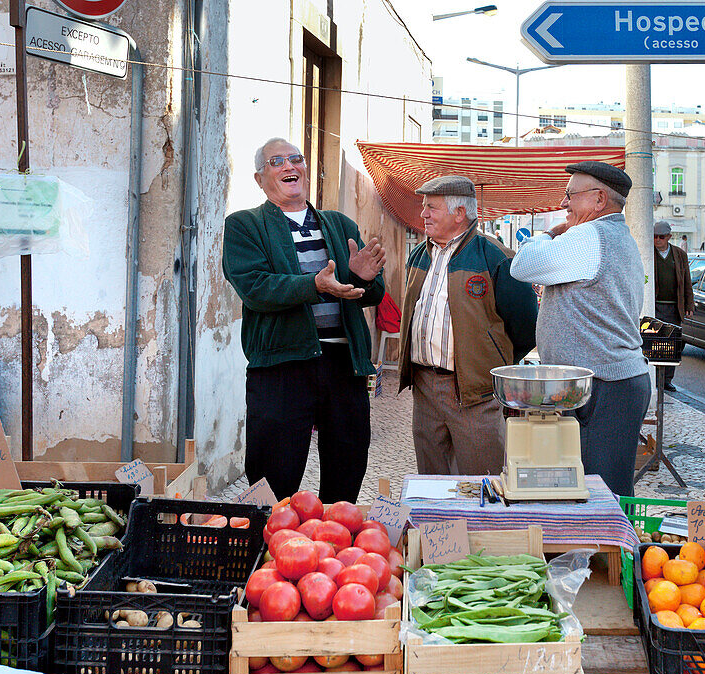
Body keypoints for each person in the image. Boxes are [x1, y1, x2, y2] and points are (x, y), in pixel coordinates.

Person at [223, 137, 386, 503]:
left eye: (295, 159)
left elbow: (373, 295)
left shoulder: (339, 224)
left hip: (345, 367)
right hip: (282, 369)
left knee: (347, 472)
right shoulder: (245, 226)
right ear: (259, 177)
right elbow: (256, 288)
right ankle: (267, 552)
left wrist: (362, 278)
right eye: (276, 161)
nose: (288, 166)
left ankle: (332, 550)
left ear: (305, 169)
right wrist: (314, 284)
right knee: (273, 480)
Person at [510, 161, 651, 498]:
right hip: (609, 383)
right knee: (599, 489)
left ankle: (608, 551)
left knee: (600, 494)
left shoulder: (590, 236)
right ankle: (596, 550)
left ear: (599, 200)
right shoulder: (616, 235)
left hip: (605, 387)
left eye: (570, 195)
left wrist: (546, 235)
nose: (564, 204)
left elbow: (522, 265)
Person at [399, 175, 538, 476]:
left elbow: (525, 325)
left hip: (474, 394)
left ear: (459, 213)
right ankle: (439, 525)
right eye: (424, 207)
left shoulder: (496, 257)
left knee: (482, 480)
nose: (423, 214)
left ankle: (482, 526)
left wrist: (489, 362)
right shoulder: (418, 256)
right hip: (424, 388)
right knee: (431, 479)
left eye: (431, 208)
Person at [653, 221, 694, 392]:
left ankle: (667, 380)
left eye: (661, 237)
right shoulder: (648, 252)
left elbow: (687, 282)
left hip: (673, 307)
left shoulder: (679, 255)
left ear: (669, 237)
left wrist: (689, 304)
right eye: (654, 237)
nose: (657, 240)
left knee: (672, 345)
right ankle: (654, 377)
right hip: (654, 305)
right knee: (653, 344)